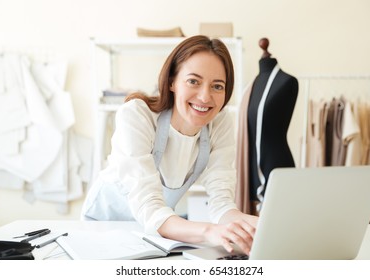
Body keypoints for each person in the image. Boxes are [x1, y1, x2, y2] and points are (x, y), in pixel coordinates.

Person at [81, 35, 258, 255]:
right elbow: (149, 205)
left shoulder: (219, 123)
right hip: (105, 227)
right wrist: (209, 232)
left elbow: (222, 202)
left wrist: (253, 225)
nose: (205, 96)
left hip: (155, 233)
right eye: (193, 81)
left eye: (217, 86)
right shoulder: (137, 115)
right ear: (172, 81)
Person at [235, 38, 298, 215]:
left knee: (281, 225)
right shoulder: (249, 87)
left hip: (276, 164)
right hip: (251, 167)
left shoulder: (286, 82)